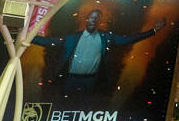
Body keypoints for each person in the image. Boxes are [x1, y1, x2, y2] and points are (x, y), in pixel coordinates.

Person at [31, 9, 165, 94]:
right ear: (87, 19)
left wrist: (153, 31)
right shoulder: (72, 38)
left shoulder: (106, 37)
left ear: (100, 21)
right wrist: (28, 38)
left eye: (97, 18)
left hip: (91, 81)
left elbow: (129, 39)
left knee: (86, 106)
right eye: (92, 17)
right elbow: (50, 42)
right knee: (64, 104)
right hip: (70, 79)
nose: (94, 20)